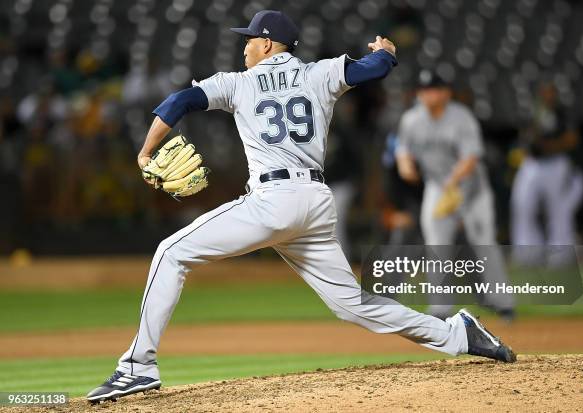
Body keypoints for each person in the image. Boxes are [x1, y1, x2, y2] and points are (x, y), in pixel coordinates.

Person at [87, 11, 515, 403]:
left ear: (269, 44)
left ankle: (137, 366)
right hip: (314, 205)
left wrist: (145, 152)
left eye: (251, 40)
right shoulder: (319, 73)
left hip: (274, 202)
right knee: (351, 304)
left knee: (170, 252)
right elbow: (374, 68)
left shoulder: (237, 82)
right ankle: (457, 333)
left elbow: (178, 102)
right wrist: (387, 52)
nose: (245, 46)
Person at [394, 71, 515, 320]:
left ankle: (503, 303)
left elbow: (470, 158)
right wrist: (405, 167)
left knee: (484, 243)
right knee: (437, 246)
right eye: (425, 89)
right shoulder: (411, 120)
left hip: (472, 189)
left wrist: (453, 184)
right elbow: (403, 151)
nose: (430, 94)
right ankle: (440, 309)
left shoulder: (461, 118)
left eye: (435, 89)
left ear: (446, 92)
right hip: (438, 187)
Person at [511, 82, 583, 266]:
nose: (547, 95)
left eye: (550, 91)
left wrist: (549, 145)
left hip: (555, 162)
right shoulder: (531, 111)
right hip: (533, 164)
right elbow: (525, 137)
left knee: (559, 210)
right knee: (522, 204)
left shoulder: (562, 112)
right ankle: (527, 253)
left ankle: (560, 254)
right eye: (544, 91)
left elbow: (572, 139)